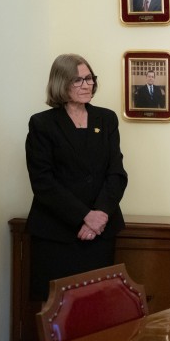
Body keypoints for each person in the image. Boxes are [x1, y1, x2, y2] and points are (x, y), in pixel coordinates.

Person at [25, 53, 128, 302]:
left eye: (89, 78)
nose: (87, 85)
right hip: (56, 234)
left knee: (98, 307)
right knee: (57, 311)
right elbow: (43, 182)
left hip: (100, 232)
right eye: (78, 80)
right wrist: (85, 216)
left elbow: (116, 173)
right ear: (61, 83)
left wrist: (100, 214)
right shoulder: (42, 124)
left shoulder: (106, 119)